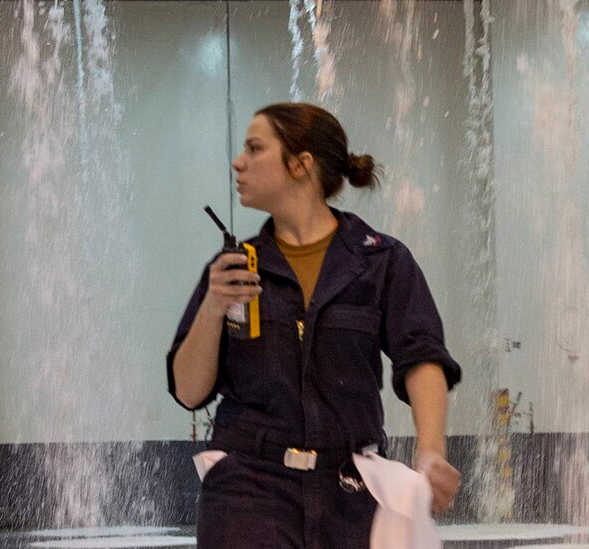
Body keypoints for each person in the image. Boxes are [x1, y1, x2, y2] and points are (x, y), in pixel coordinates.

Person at [167, 102, 462, 548]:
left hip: (350, 492)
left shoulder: (381, 261)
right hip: (249, 490)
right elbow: (189, 391)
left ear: (301, 164)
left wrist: (431, 450)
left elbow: (421, 355)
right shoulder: (231, 270)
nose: (238, 161)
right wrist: (213, 307)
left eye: (255, 148)